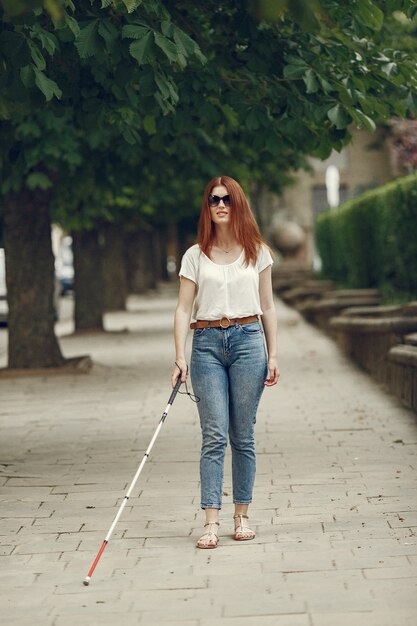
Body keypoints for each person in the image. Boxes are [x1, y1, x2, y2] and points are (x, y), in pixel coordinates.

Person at [171, 175, 279, 549]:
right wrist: (179, 355)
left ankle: (242, 515)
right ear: (207, 206)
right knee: (214, 434)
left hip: (249, 341)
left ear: (238, 205)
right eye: (214, 200)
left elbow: (267, 305)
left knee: (242, 434)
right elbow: (184, 308)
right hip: (206, 345)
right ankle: (211, 521)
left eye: (227, 199)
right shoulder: (194, 255)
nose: (220, 205)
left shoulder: (258, 252)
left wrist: (274, 352)